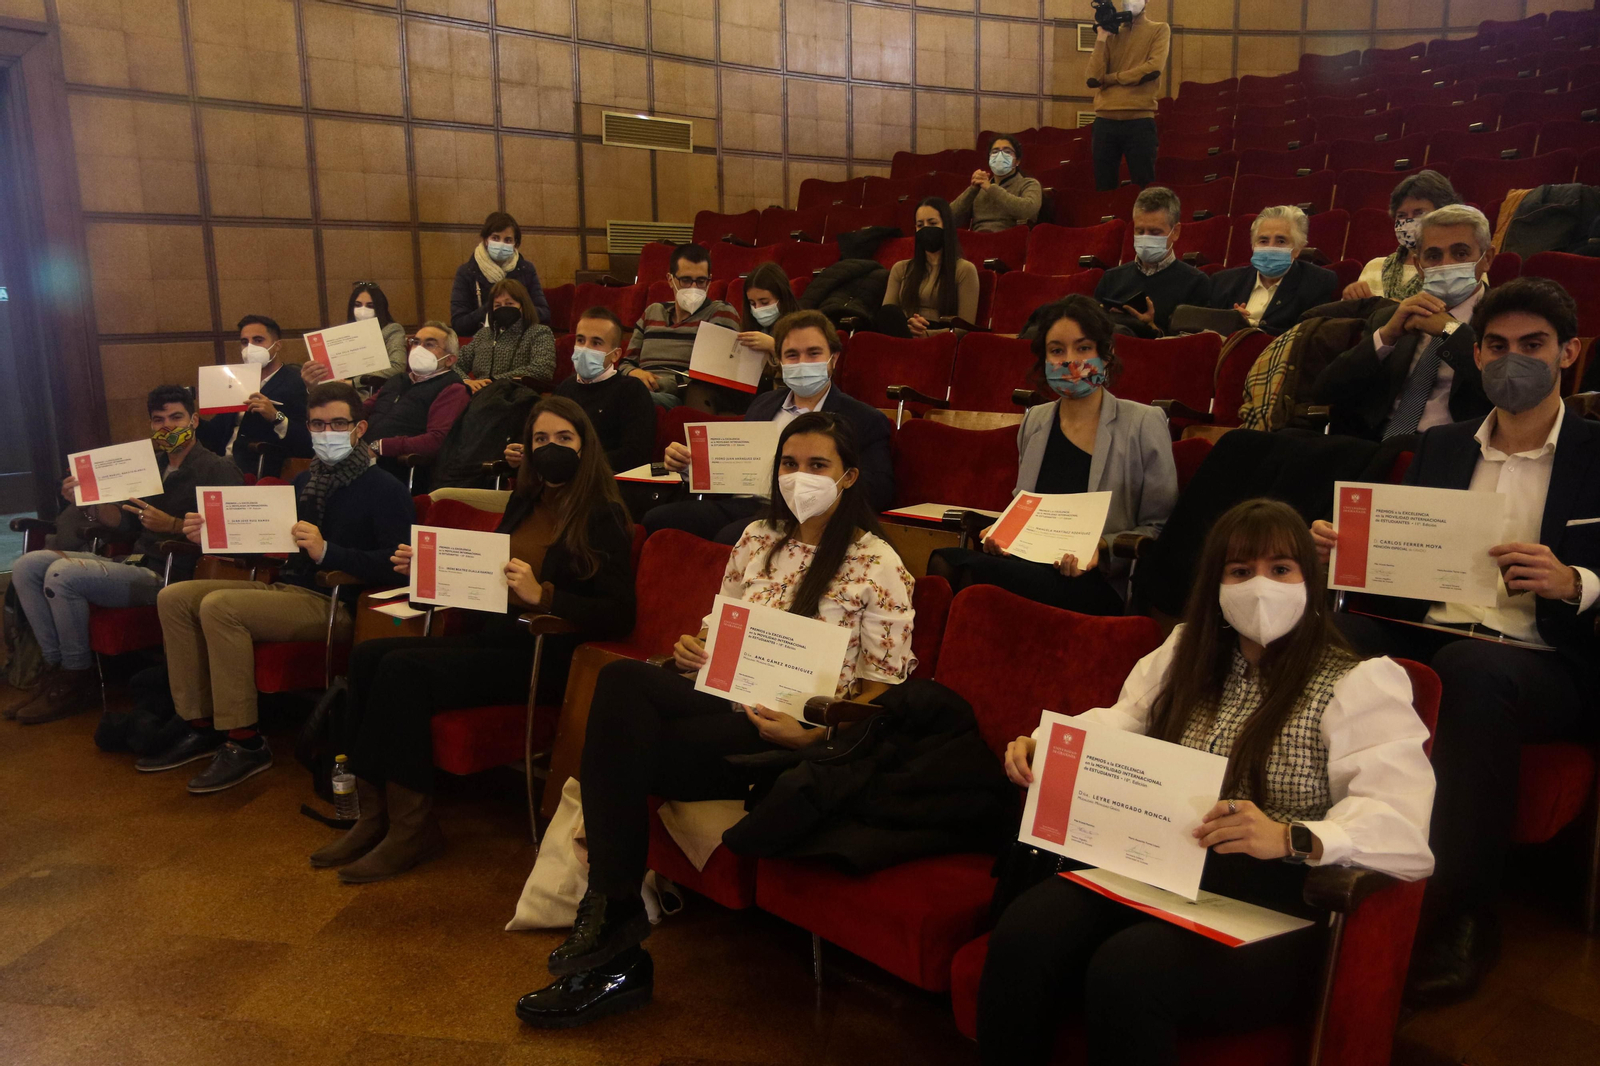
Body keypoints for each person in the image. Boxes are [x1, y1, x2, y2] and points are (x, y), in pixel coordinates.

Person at [981, 498, 1435, 1065]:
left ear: (1309, 579)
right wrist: (1050, 746)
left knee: (1130, 972)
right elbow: (1125, 721)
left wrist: (1291, 836)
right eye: (1240, 572)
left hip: (1277, 900)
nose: (1260, 587)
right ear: (1216, 584)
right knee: (1025, 932)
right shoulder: (1187, 651)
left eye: (1281, 569)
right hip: (1166, 867)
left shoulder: (1358, 682)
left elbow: (1403, 827)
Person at [514, 411, 918, 1028]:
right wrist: (692, 649)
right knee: (622, 681)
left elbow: (880, 694)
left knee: (621, 752)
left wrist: (810, 734)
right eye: (789, 463)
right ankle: (617, 916)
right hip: (723, 695)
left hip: (787, 733)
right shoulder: (757, 536)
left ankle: (614, 942)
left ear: (850, 476)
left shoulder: (877, 563)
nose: (799, 477)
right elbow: (718, 627)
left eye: (817, 466)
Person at [1311, 277, 1599, 1007]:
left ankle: (1462, 915)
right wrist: (1344, 555)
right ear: (1474, 354)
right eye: (1497, 346)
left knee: (1474, 671)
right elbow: (1399, 576)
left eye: (1533, 345)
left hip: (1546, 662)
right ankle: (1303, 852)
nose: (1513, 360)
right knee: (1333, 630)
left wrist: (1575, 582)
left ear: (1568, 352)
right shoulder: (1439, 448)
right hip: (1434, 635)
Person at [312, 397, 635, 882]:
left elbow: (618, 614)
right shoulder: (524, 500)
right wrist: (430, 570)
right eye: (540, 440)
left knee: (403, 670)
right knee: (370, 656)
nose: (551, 448)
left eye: (563, 439)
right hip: (495, 638)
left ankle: (412, 829)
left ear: (585, 446)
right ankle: (373, 815)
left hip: (543, 655)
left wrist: (544, 595)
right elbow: (484, 574)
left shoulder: (602, 513)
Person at [140, 382, 413, 794]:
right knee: (174, 597)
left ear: (359, 428)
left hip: (338, 602)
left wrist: (329, 552)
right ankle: (198, 722)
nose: (327, 432)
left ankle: (245, 742)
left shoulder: (387, 489)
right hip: (288, 590)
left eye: (338, 423)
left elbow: (396, 567)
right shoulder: (305, 480)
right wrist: (210, 533)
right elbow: (267, 540)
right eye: (318, 424)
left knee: (219, 605)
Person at [9, 386, 244, 725]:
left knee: (63, 573)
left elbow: (234, 534)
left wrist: (174, 524)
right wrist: (85, 501)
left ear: (193, 420)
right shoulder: (152, 467)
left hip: (172, 574)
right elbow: (122, 524)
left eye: (176, 417)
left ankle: (77, 677)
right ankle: (54, 666)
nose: (167, 427)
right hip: (134, 561)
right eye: (158, 420)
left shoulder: (217, 468)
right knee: (28, 565)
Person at [927, 296, 1176, 615]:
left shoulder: (1143, 422)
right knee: (945, 561)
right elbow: (1025, 505)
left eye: (1083, 348)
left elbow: (1160, 526)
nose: (1070, 362)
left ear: (1106, 354)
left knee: (975, 577)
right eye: (1057, 351)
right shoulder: (1036, 420)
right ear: (1044, 360)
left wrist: (1100, 548)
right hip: (1028, 564)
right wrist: (1002, 532)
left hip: (1097, 579)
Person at [642, 310, 894, 545]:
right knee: (658, 519)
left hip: (802, 516)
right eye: (792, 355)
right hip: (745, 503)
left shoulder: (864, 419)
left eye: (813, 353)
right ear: (780, 361)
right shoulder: (764, 404)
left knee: (731, 537)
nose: (802, 363)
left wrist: (817, 483)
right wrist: (691, 465)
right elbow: (737, 466)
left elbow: (879, 491)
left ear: (833, 359)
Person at [1312, 204, 1495, 441]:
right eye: (1433, 256)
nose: (1445, 264)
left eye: (1460, 253)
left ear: (1487, 258)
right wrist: (1386, 336)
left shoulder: (1504, 317)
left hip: (1454, 449)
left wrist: (1451, 331)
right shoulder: (1391, 317)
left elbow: (1509, 391)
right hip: (1376, 445)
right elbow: (1325, 392)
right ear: (1419, 266)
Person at [507, 307, 656, 474]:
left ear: (615, 355)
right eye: (580, 340)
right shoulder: (565, 387)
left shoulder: (631, 391)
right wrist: (523, 453)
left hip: (601, 486)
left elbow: (636, 456)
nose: (585, 348)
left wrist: (574, 462)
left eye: (596, 343)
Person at [619, 243, 741, 409]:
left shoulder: (720, 312)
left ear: (709, 281)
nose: (694, 287)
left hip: (681, 398)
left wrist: (660, 385)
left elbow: (715, 376)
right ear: (670, 280)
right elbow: (626, 364)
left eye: (701, 281)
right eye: (685, 280)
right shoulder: (652, 312)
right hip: (637, 390)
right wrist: (634, 373)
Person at [196, 315, 314, 477]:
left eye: (258, 340)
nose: (250, 347)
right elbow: (215, 434)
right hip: (221, 462)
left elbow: (308, 440)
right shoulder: (235, 381)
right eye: (245, 342)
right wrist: (189, 418)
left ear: (277, 345)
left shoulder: (296, 382)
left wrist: (276, 416)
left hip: (261, 467)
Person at [1094, 185, 1212, 336]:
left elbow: (1192, 348)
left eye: (1155, 232)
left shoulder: (1196, 283)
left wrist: (1150, 327)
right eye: (1140, 231)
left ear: (1175, 232)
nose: (1145, 238)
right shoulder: (1111, 278)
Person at [1206, 206, 1339, 336]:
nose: (1270, 248)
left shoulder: (1317, 283)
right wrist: (1229, 322)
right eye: (1263, 241)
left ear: (1297, 249)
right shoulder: (1222, 282)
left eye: (1281, 241)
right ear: (1253, 246)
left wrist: (1249, 331)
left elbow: (1308, 337)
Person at [1086, 2, 1172, 191]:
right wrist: (1101, 38)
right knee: (1103, 188)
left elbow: (1152, 69)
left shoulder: (1159, 29)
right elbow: (1092, 78)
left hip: (1139, 120)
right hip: (1105, 121)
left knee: (1144, 187)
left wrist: (1111, 78)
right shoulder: (1112, 33)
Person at [1342, 170, 1461, 301]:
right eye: (1402, 216)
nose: (1409, 221)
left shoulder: (1461, 268)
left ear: (1443, 214)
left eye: (1419, 213)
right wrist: (1351, 300)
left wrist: (1384, 309)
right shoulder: (1374, 267)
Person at [880, 198, 980, 336]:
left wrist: (925, 334)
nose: (926, 228)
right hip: (904, 333)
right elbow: (887, 315)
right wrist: (908, 324)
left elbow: (965, 328)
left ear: (946, 226)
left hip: (940, 339)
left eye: (932, 223)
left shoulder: (965, 269)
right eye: (920, 225)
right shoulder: (900, 268)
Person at [450, 210, 550, 334]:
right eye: (495, 238)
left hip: (520, 338)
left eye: (508, 240)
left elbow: (544, 313)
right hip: (483, 342)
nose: (501, 244)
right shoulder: (467, 272)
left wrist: (517, 310)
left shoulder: (526, 269)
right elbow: (459, 324)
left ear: (515, 244)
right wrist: (492, 309)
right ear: (485, 240)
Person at [457, 279, 556, 390]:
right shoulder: (483, 335)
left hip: (515, 394)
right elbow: (454, 365)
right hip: (478, 394)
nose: (503, 308)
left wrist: (494, 381)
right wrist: (467, 381)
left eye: (509, 304)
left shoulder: (539, 332)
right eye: (498, 305)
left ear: (523, 306)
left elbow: (543, 369)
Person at [950, 135, 1043, 232]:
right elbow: (950, 217)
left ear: (1017, 161)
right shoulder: (979, 189)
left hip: (1009, 239)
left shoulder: (1029, 184)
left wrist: (991, 189)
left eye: (1007, 151)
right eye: (995, 152)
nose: (1000, 156)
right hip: (978, 239)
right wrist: (972, 189)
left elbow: (1027, 210)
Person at [734, 261, 802, 365]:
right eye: (752, 303)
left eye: (764, 302)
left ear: (782, 298)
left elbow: (804, 372)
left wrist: (773, 346)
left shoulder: (803, 327)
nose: (757, 309)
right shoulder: (752, 325)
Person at [348, 282, 409, 378]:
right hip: (341, 387)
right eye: (357, 305)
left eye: (370, 306)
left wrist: (354, 382)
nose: (362, 310)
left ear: (379, 308)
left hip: (371, 388)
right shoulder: (345, 333)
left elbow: (397, 367)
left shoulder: (392, 330)